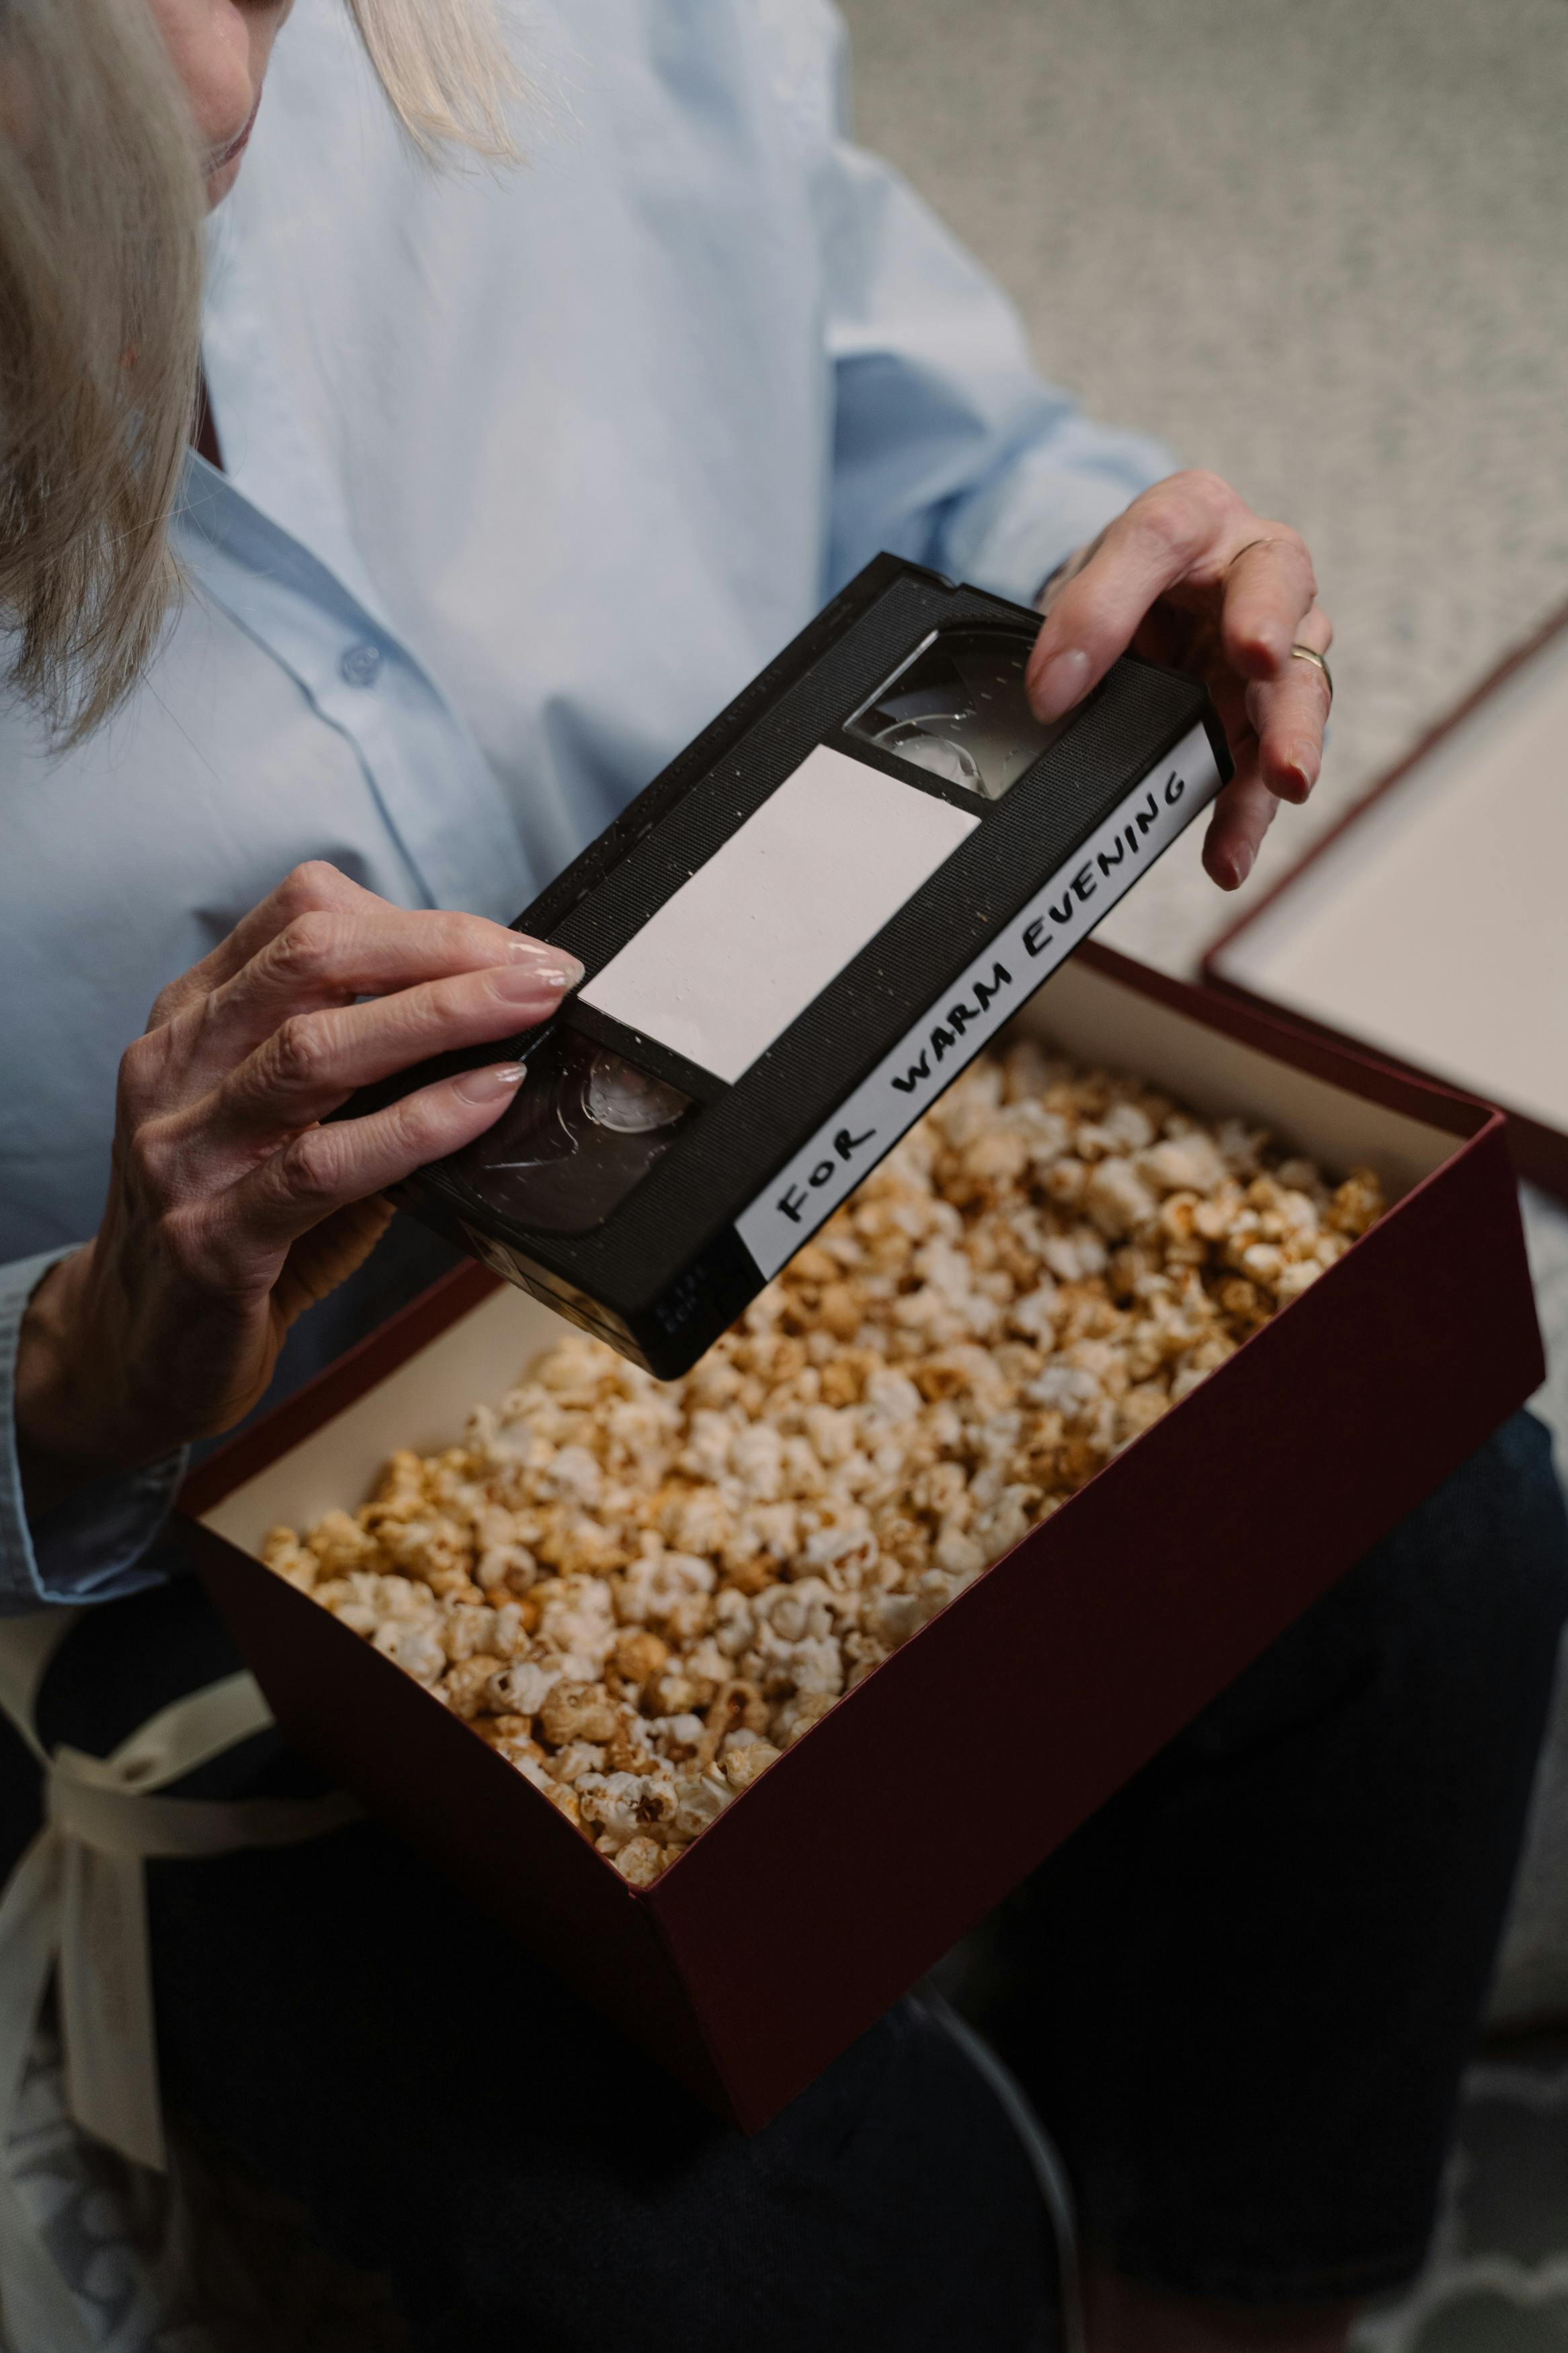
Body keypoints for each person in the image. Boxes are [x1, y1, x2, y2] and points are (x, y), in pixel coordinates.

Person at [0, 2, 1563, 2348]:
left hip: (810, 1183)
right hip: (191, 1565)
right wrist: (89, 1359)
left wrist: (1129, 584)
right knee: (788, 2250)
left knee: (1440, 1552)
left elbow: (928, 444)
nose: (208, 94)